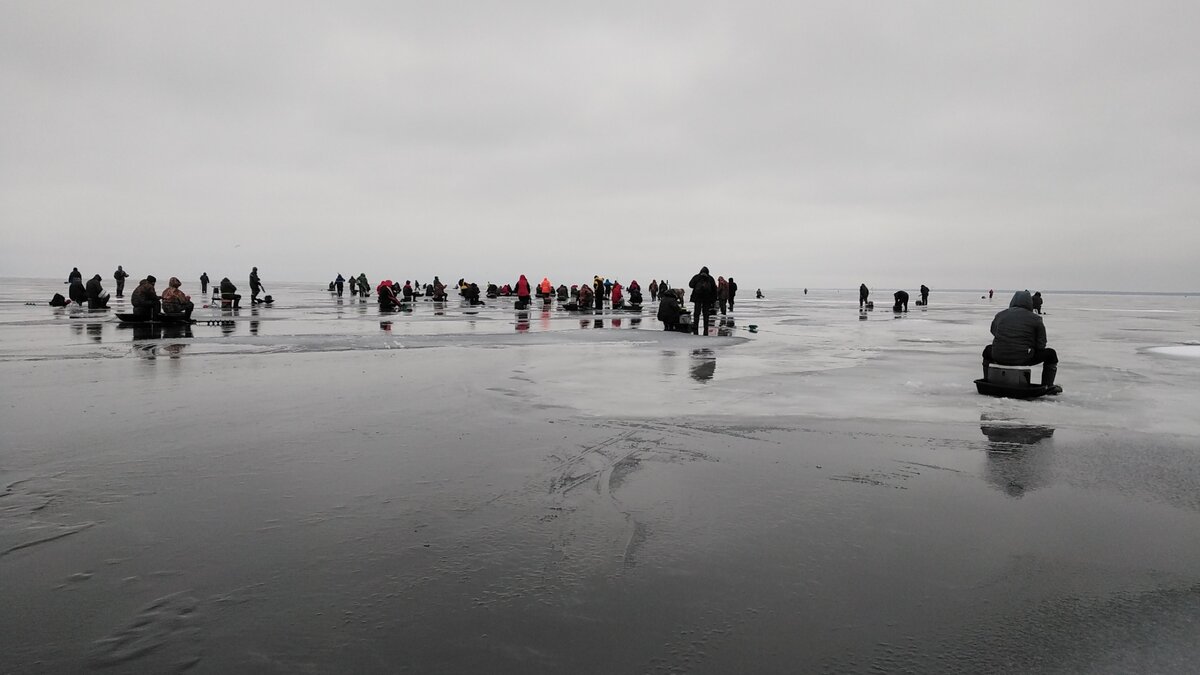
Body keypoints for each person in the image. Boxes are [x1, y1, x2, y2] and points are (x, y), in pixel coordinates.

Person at [982, 290, 1059, 389]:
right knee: (1051, 354)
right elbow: (1041, 344)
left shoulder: (1000, 315)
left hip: (998, 355)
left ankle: (987, 380)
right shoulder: (1036, 319)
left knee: (987, 351)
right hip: (1023, 357)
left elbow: (993, 331)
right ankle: (1047, 385)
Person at [688, 266, 717, 335]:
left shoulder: (696, 277)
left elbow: (690, 285)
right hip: (707, 299)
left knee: (696, 313)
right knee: (706, 314)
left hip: (697, 298)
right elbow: (714, 290)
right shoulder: (710, 278)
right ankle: (706, 328)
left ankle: (695, 326)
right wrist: (713, 300)